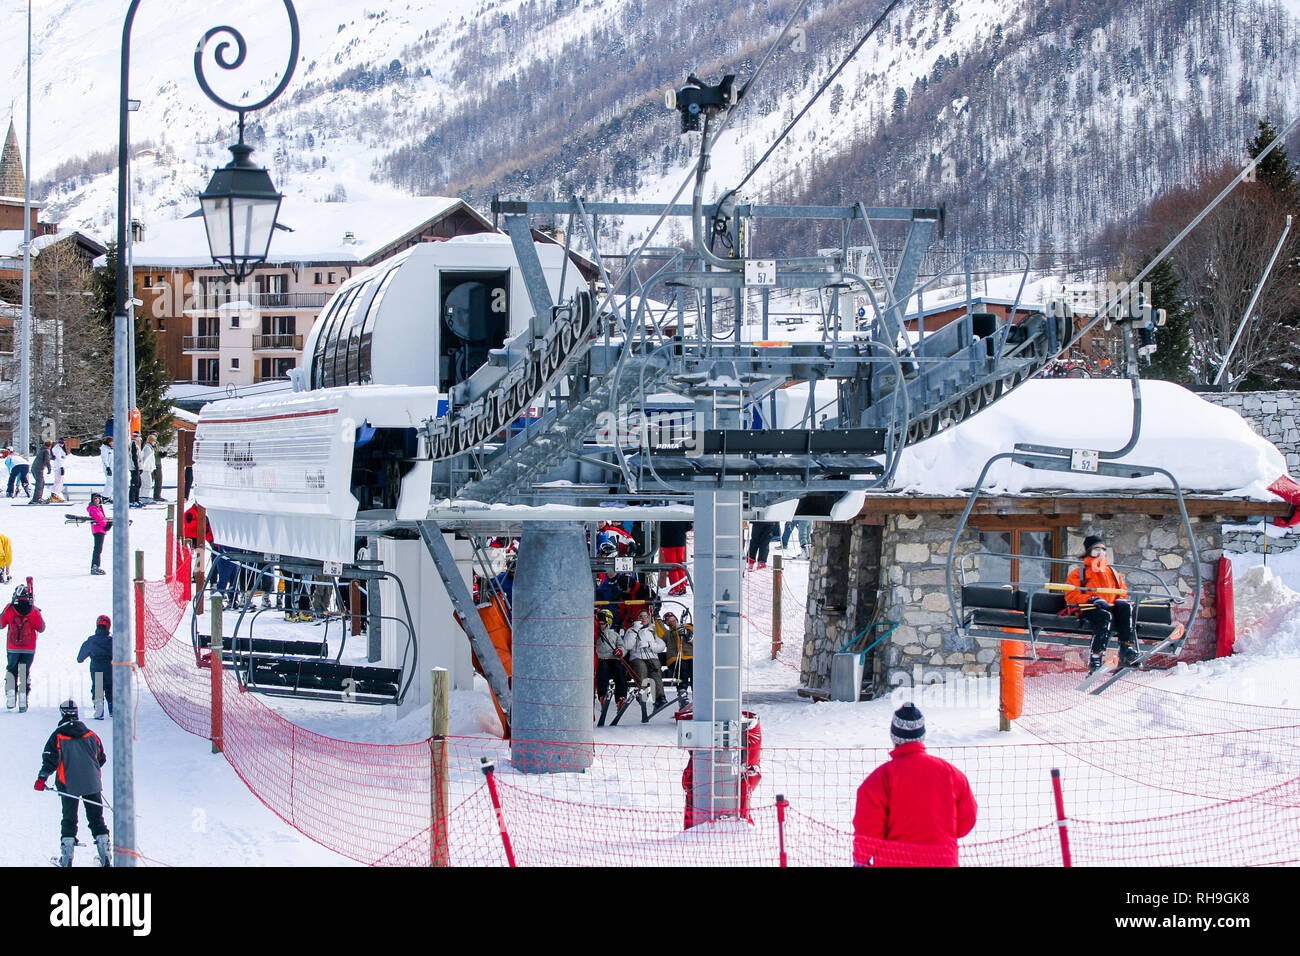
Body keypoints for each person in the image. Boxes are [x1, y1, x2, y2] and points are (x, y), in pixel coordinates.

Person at [853, 703, 977, 867]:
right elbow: (966, 820)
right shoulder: (951, 774)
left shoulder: (879, 780)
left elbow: (868, 828)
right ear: (922, 735)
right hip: (942, 860)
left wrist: (861, 860)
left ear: (894, 736)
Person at [35, 699, 111, 867]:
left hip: (68, 783)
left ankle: (67, 858)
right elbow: (102, 758)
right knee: (96, 818)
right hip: (92, 783)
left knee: (69, 819)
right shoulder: (91, 735)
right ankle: (105, 855)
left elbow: (50, 760)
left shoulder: (58, 735)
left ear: (62, 714)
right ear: (76, 713)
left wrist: (42, 778)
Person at [1066, 533, 1137, 674]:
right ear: (1089, 552)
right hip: (1090, 608)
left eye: (1103, 550)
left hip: (1111, 606)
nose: (1100, 553)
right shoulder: (1079, 573)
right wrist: (1091, 599)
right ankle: (1096, 657)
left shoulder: (1113, 572)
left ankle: (1126, 648)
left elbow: (1122, 590)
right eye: (1096, 549)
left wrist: (1120, 599)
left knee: (1126, 607)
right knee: (1105, 617)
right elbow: (1071, 595)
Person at [3, 583, 45, 711]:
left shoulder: (10, 609)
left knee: (11, 669)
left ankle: (11, 693)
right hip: (29, 648)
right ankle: (23, 697)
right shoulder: (33, 610)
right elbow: (41, 628)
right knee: (24, 671)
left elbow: (1, 624)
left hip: (12, 647)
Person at [621, 607, 666, 706]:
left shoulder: (653, 630)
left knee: (655, 669)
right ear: (637, 618)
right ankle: (642, 693)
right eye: (641, 617)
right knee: (641, 668)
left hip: (651, 656)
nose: (643, 618)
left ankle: (659, 697)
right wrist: (635, 631)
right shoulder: (631, 630)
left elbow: (661, 646)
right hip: (637, 656)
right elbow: (627, 646)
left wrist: (650, 646)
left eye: (646, 616)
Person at [77, 615, 113, 719]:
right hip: (109, 667)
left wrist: (82, 658)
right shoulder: (111, 641)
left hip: (96, 666)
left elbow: (80, 658)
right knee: (110, 687)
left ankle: (98, 709)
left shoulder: (91, 640)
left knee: (98, 686)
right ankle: (112, 708)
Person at [594, 608, 629, 710]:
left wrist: (620, 651)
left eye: (603, 623)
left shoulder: (614, 634)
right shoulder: (596, 634)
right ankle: (602, 695)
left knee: (620, 671)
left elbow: (622, 646)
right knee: (602, 671)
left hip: (613, 658)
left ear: (608, 623)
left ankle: (620, 698)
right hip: (602, 659)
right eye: (599, 623)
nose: (601, 626)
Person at [658, 609, 693, 692]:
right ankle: (682, 690)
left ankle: (697, 691)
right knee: (682, 670)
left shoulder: (688, 627)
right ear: (666, 623)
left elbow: (696, 640)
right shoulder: (668, 634)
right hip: (676, 657)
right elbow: (660, 631)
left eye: (673, 619)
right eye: (669, 621)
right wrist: (657, 618)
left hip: (691, 655)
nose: (672, 622)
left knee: (694, 670)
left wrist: (687, 634)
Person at [658, 521, 691, 595]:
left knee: (672, 566)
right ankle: (682, 586)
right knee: (680, 565)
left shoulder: (665, 514)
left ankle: (676, 588)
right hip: (680, 541)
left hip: (668, 542)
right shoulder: (681, 512)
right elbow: (689, 526)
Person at [87, 492, 111, 575]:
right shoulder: (93, 508)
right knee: (98, 549)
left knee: (99, 549)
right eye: (95, 498)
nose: (97, 500)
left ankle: (95, 566)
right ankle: (95, 566)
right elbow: (99, 518)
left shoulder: (99, 507)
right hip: (98, 530)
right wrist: (105, 525)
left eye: (98, 498)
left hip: (101, 529)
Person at [138, 433, 156, 506]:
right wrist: (142, 467)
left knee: (144, 483)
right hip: (145, 469)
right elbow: (145, 458)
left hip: (147, 468)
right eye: (154, 441)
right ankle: (144, 497)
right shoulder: (148, 448)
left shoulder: (148, 447)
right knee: (148, 483)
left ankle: (141, 496)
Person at [49, 438, 68, 503]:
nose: (62, 444)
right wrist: (61, 467)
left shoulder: (60, 449)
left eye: (63, 442)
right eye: (60, 442)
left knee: (61, 481)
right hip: (59, 467)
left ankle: (57, 494)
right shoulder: (57, 449)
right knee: (58, 480)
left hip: (61, 466)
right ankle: (54, 494)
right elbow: (58, 459)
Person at [128, 433, 142, 506]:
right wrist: (136, 466)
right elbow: (134, 456)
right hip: (134, 467)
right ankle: (132, 500)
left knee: (138, 483)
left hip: (137, 467)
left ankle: (136, 499)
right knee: (134, 484)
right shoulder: (133, 444)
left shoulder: (137, 444)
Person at [99, 437, 114, 502]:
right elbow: (104, 459)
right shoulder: (104, 449)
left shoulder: (110, 448)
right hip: (108, 468)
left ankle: (107, 496)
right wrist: (107, 467)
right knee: (110, 482)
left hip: (111, 467)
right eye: (112, 442)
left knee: (110, 482)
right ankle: (105, 496)